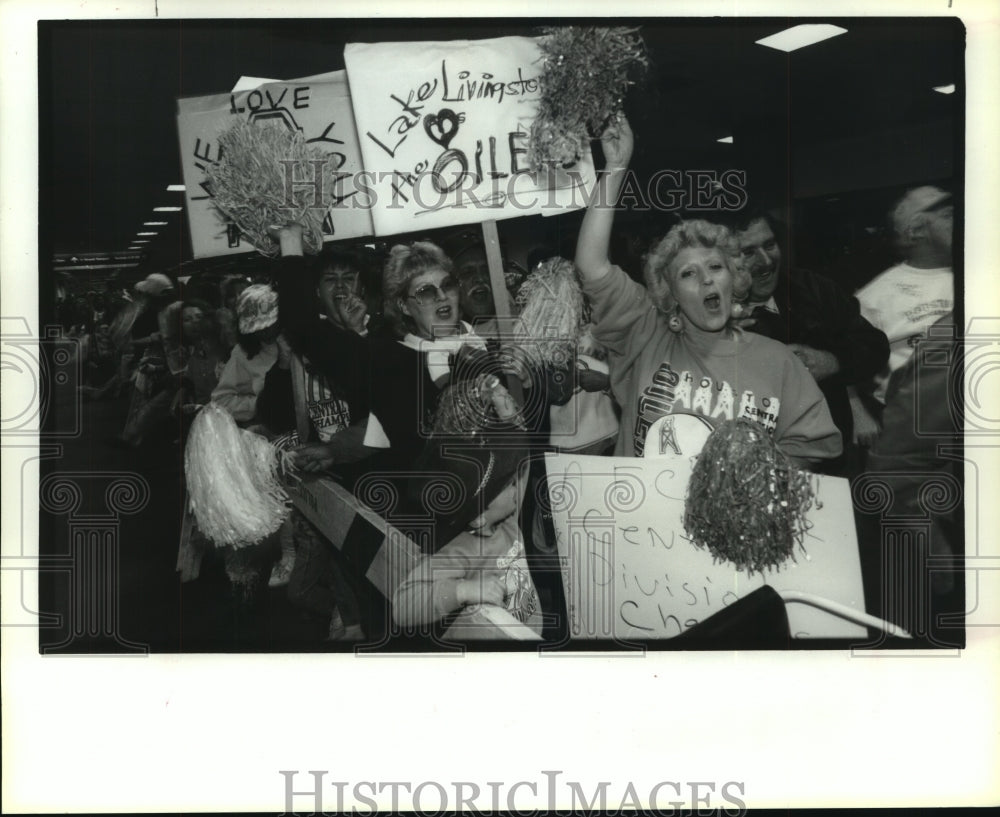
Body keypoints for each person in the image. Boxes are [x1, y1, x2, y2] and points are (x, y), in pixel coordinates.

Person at [575, 116, 841, 467]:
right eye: (688, 273)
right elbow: (592, 266)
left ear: (735, 279)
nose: (706, 280)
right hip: (642, 518)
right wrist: (616, 168)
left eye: (716, 267)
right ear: (670, 293)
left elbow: (808, 452)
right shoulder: (645, 337)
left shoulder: (781, 363)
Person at [728, 209, 889, 474]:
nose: (766, 260)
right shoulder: (710, 314)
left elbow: (874, 345)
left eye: (770, 245)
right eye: (748, 252)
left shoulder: (812, 288)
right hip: (750, 467)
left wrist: (833, 361)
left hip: (829, 464)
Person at [392, 377, 542, 641]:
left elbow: (522, 449)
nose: (517, 486)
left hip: (528, 631)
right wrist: (464, 590)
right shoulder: (461, 550)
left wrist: (499, 396)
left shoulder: (505, 519)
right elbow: (403, 606)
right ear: (479, 514)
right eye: (508, 485)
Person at [849, 186, 954, 449]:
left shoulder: (978, 277)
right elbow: (845, 362)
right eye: (947, 215)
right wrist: (859, 415)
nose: (958, 221)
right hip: (911, 427)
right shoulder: (874, 297)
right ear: (916, 229)